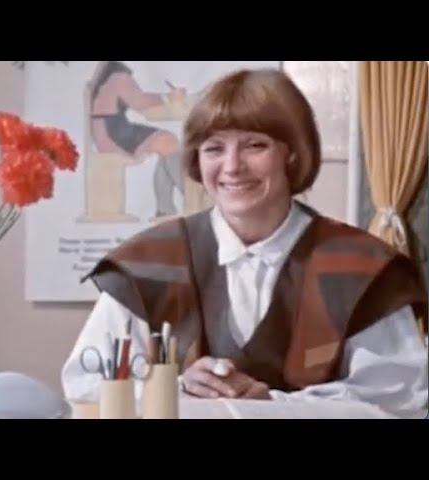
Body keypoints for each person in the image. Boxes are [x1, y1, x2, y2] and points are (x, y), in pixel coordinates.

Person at [62, 68, 428, 418]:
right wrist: (175, 389)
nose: (232, 166)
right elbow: (85, 385)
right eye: (214, 148)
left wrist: (270, 405)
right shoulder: (147, 261)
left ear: (293, 152)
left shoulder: (363, 267)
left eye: (255, 145)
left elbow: (400, 401)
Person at [88, 61, 188, 217]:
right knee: (167, 141)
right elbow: (139, 102)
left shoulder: (107, 73)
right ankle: (190, 199)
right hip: (112, 133)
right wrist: (169, 97)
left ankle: (166, 209)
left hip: (107, 129)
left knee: (166, 143)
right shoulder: (118, 75)